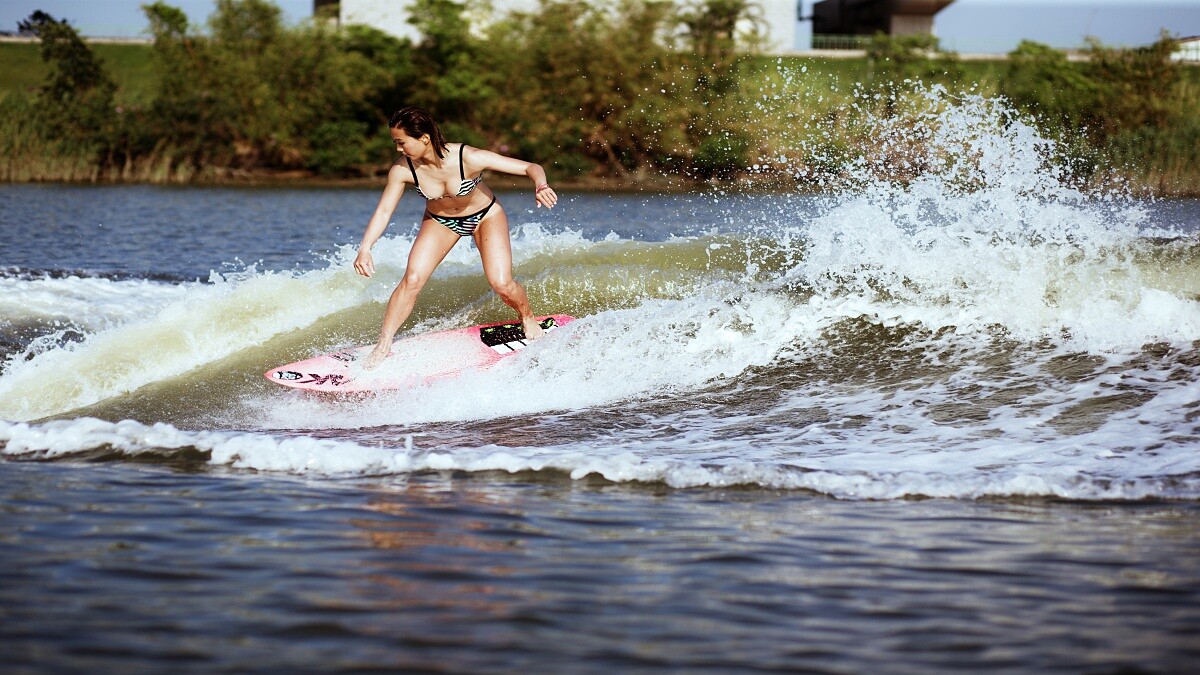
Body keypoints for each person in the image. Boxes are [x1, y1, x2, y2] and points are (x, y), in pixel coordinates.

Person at [353, 106, 558, 369]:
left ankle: (527, 317)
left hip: (485, 215)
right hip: (440, 221)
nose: (398, 149)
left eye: (401, 142)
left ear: (424, 138)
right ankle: (383, 344)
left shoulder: (468, 157)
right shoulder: (402, 170)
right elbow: (383, 211)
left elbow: (531, 167)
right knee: (412, 280)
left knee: (501, 283)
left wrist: (541, 185)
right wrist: (365, 248)